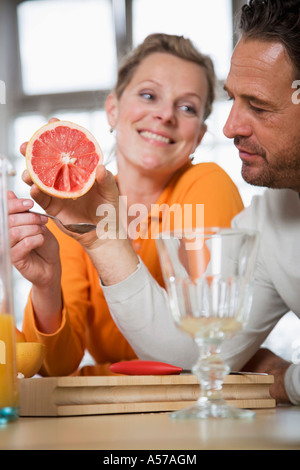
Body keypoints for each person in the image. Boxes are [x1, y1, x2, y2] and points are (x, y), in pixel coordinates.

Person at [79, 0, 300, 405]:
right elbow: (197, 352)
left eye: (259, 106)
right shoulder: (270, 221)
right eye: (233, 100)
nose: (231, 127)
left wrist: (288, 381)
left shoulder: (207, 187)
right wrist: (104, 239)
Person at [8, 33, 243, 376]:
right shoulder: (77, 205)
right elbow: (55, 365)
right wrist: (46, 284)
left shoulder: (207, 183)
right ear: (113, 111)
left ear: (200, 136)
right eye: (149, 95)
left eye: (187, 107)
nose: (165, 115)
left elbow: (208, 343)